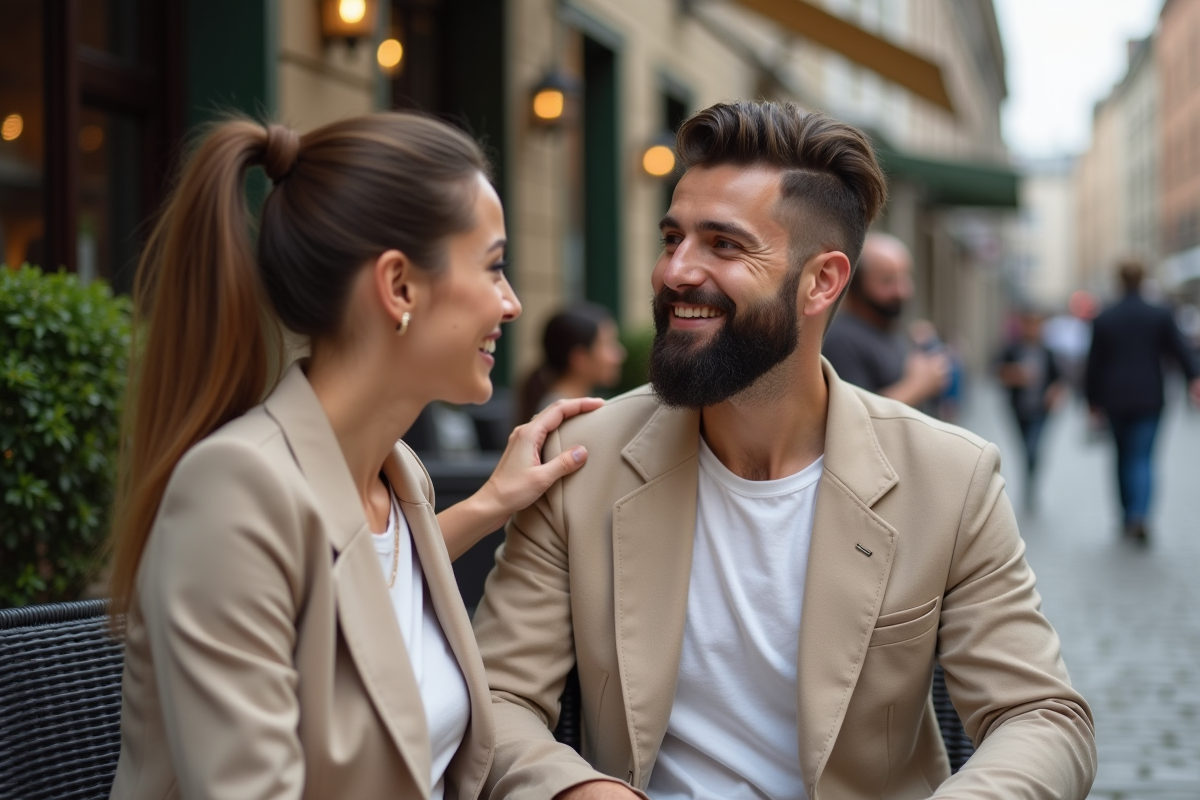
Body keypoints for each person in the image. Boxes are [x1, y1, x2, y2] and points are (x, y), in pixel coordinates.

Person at [472, 100, 1096, 800]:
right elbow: (495, 696)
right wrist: (574, 791)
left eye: (724, 245)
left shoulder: (950, 477)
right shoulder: (579, 460)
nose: (675, 271)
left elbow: (1043, 717)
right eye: (671, 237)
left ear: (822, 282)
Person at [106, 113, 603, 799]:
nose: (512, 303)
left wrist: (491, 503)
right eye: (493, 266)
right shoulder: (232, 490)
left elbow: (355, 587)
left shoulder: (398, 478)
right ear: (399, 287)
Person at [1085, 261, 1200, 542]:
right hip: (1150, 396)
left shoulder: (1105, 317)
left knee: (1122, 456)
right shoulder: (1159, 314)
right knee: (1143, 457)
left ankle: (1127, 515)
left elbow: (1093, 364)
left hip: (1113, 397)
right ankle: (1140, 514)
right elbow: (1180, 350)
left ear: (1119, 279)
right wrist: (1194, 378)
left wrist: (1091, 401)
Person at [822, 232, 949, 408]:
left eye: (905, 277)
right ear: (855, 284)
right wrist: (917, 386)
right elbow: (854, 416)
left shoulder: (885, 326)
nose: (902, 291)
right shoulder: (840, 339)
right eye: (887, 280)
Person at [997, 310, 1066, 511]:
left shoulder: (1048, 352)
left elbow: (1059, 379)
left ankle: (1031, 486)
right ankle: (1029, 483)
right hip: (1018, 409)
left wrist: (1054, 392)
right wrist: (1016, 375)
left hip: (1041, 410)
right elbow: (998, 371)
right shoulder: (1013, 349)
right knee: (1024, 448)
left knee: (1033, 448)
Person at [517, 303, 627, 424]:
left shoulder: (562, 408)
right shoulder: (560, 417)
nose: (620, 355)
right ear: (580, 358)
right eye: (608, 344)